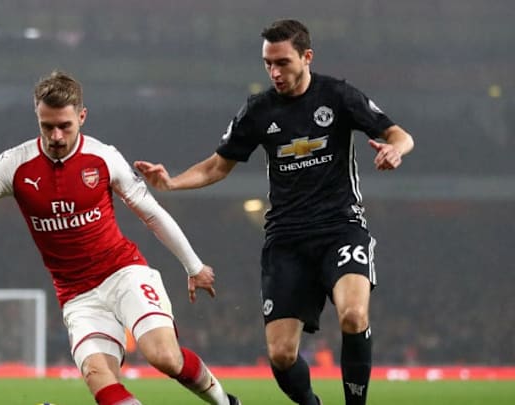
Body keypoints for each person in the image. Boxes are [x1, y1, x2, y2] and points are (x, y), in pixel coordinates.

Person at [0, 71, 241, 405]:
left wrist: (193, 266)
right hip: (77, 295)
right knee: (98, 375)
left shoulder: (103, 156)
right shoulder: (13, 164)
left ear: (82, 116)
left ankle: (225, 402)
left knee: (165, 357)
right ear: (37, 116)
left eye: (65, 125)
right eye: (47, 126)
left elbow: (152, 214)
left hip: (124, 273)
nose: (57, 136)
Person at [135, 19, 414, 405]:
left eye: (282, 62)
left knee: (352, 315)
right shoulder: (258, 110)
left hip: (340, 228)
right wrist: (171, 183)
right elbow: (219, 165)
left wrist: (395, 149)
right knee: (282, 355)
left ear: (307, 57)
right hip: (287, 240)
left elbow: (399, 134)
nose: (274, 72)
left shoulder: (338, 96)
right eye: (268, 63)